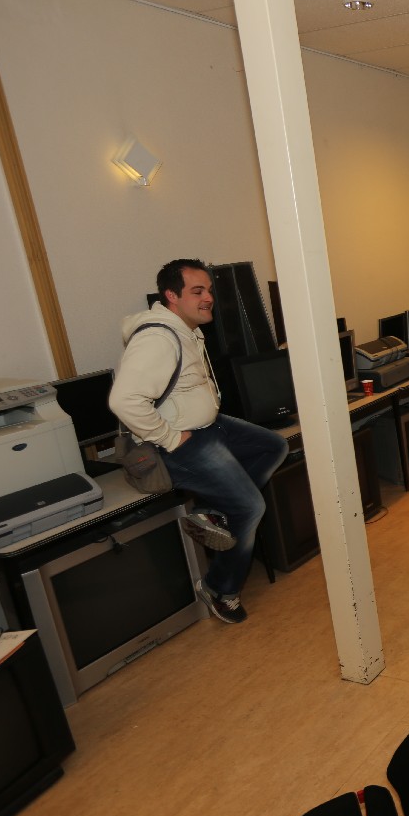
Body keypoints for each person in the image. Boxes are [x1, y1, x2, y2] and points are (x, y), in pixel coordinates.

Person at [108, 258, 288, 623]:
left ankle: (213, 512)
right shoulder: (158, 338)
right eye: (197, 291)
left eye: (208, 290)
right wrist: (171, 438)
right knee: (250, 508)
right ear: (171, 295)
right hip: (179, 441)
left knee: (274, 446)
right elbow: (123, 401)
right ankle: (220, 589)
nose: (208, 298)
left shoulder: (186, 329)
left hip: (207, 426)